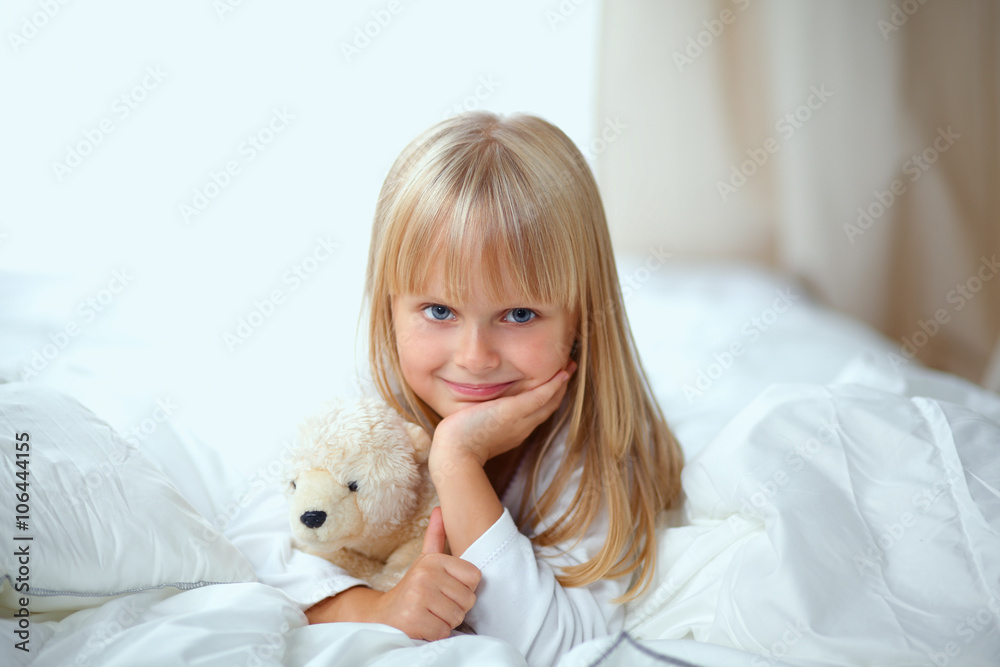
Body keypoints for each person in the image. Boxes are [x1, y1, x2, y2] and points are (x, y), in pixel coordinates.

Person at [305, 111, 684, 665]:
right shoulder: (367, 404)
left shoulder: (594, 454)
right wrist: (377, 608)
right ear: (389, 305)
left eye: (520, 314)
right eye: (439, 310)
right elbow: (263, 549)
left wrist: (456, 460)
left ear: (581, 317)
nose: (475, 358)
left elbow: (559, 646)